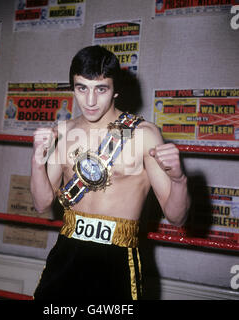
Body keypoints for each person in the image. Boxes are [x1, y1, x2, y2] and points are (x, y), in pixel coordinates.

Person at [31, 45, 190, 300]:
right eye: (82, 88)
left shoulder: (143, 135)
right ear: (73, 87)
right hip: (67, 251)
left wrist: (179, 179)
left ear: (115, 90)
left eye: (100, 89)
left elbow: (177, 217)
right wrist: (37, 161)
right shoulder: (63, 131)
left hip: (117, 255)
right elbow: (41, 204)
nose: (90, 101)